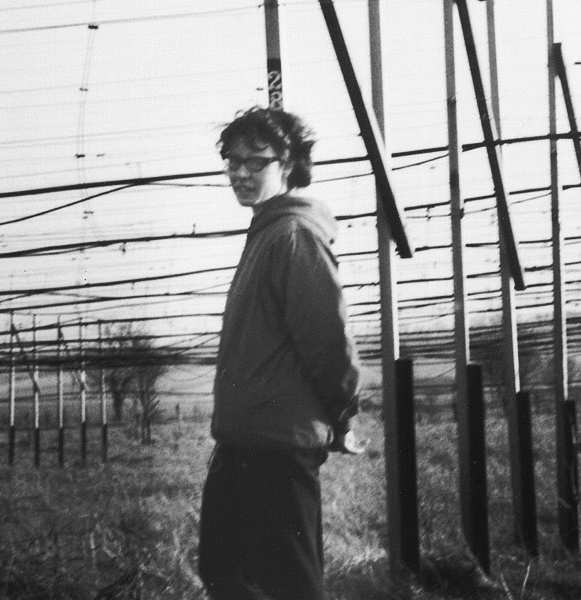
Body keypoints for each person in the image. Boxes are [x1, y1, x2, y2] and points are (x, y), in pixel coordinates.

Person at [198, 106, 364, 600]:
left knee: (289, 586)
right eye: (233, 160)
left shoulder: (293, 234)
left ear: (288, 165)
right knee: (223, 571)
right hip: (242, 441)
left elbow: (327, 336)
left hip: (277, 444)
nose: (241, 172)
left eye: (256, 162)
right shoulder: (267, 232)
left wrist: (343, 412)